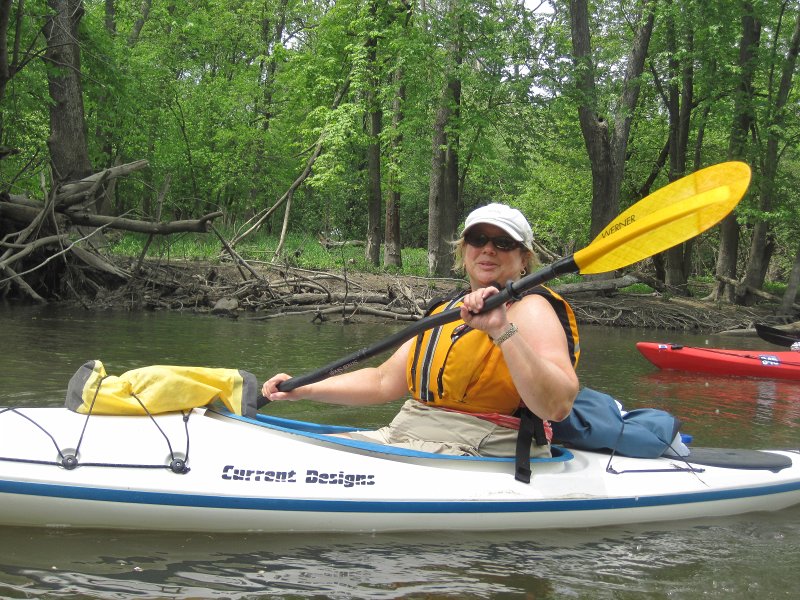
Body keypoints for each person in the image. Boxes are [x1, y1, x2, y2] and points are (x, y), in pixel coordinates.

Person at [262, 203, 580, 458]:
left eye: (503, 242)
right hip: (406, 433)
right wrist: (302, 389)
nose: (488, 250)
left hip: (485, 449)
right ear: (463, 250)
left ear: (524, 259)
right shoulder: (445, 310)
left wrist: (502, 330)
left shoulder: (532, 308)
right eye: (477, 239)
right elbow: (383, 380)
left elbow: (558, 406)